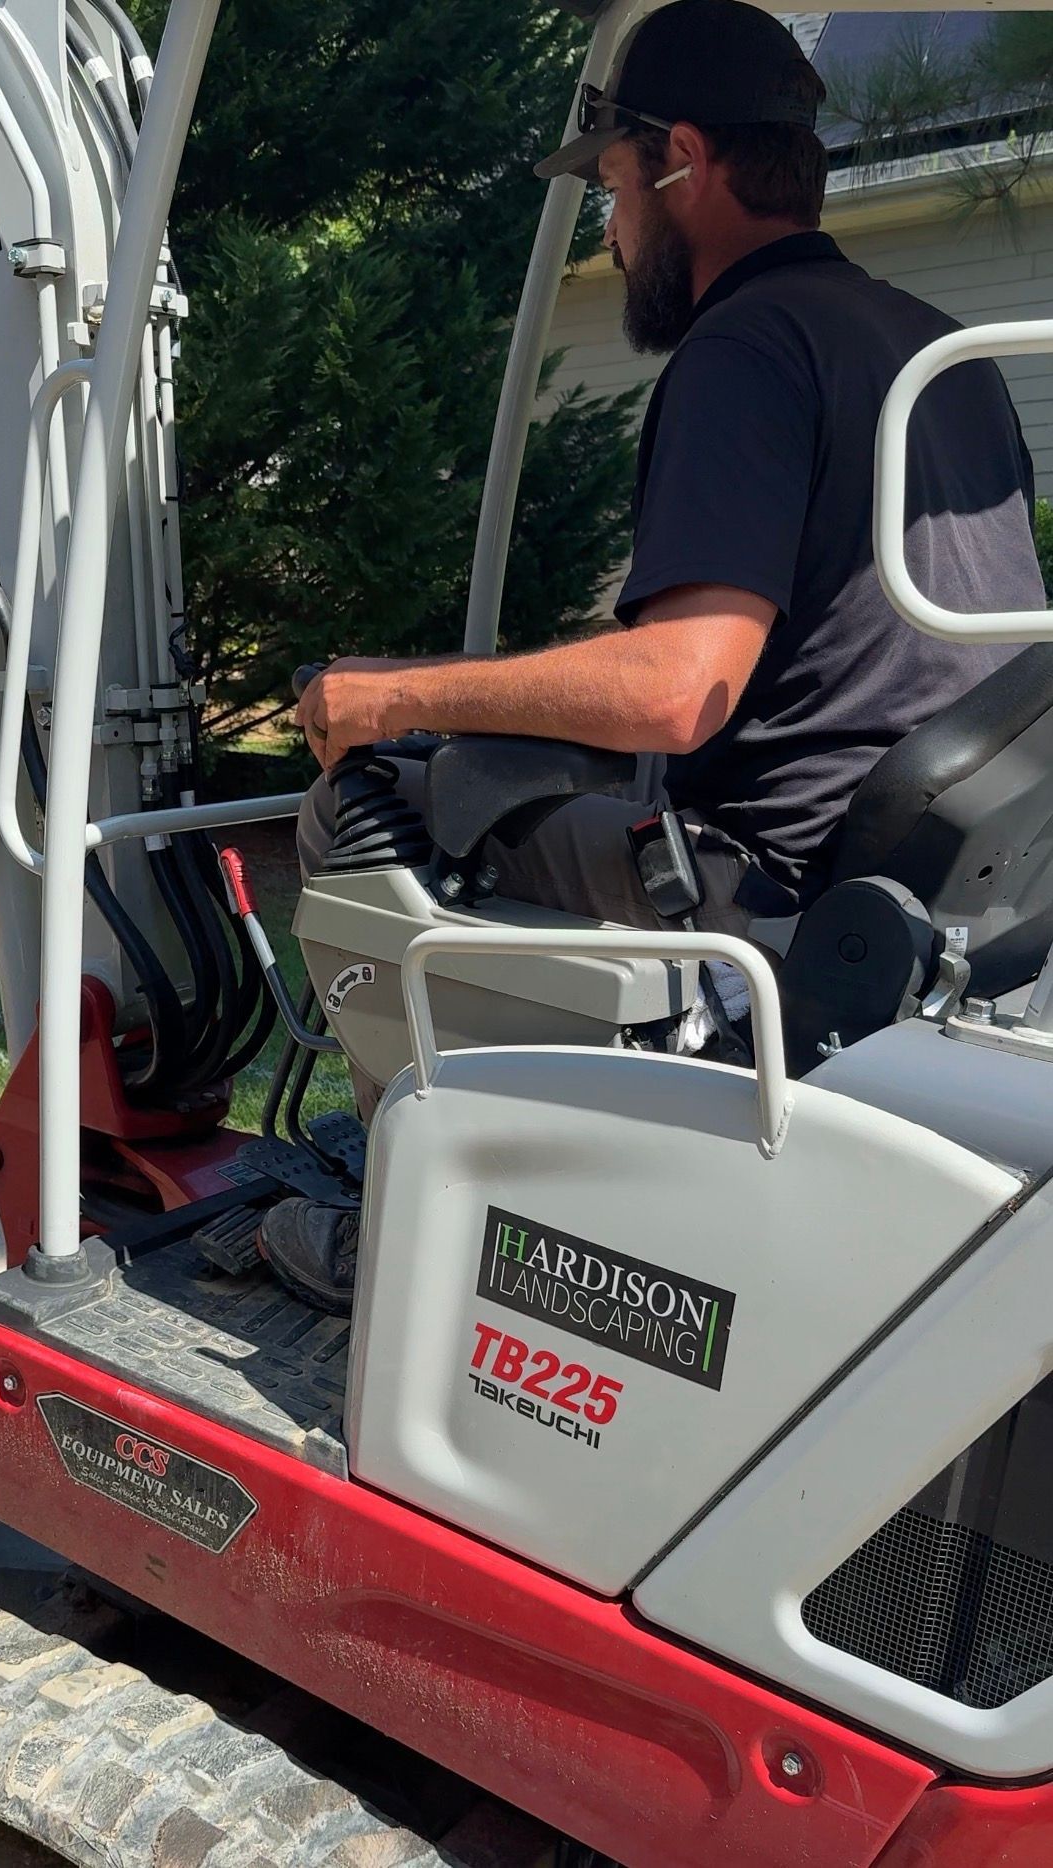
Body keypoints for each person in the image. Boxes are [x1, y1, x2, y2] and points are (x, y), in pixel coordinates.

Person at [258, 0, 1046, 1314]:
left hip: (772, 896)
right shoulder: (928, 347)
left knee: (369, 799)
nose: (614, 232)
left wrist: (391, 695)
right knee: (493, 759)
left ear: (684, 160)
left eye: (616, 190)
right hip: (945, 894)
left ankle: (408, 1243)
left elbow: (682, 687)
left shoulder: (744, 347)